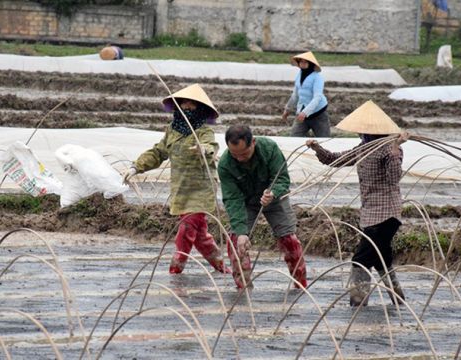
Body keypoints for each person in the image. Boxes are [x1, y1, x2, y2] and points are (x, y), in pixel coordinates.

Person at [305, 100, 408, 306]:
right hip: (370, 214)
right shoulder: (364, 147)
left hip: (387, 215)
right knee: (381, 259)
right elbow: (334, 160)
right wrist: (316, 147)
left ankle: (358, 302)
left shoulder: (388, 148)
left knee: (359, 259)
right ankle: (398, 298)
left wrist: (396, 148)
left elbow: (393, 177)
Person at [123, 84, 229, 275]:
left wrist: (202, 149)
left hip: (201, 189)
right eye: (183, 103)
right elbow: (158, 152)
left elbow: (210, 146)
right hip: (181, 188)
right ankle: (222, 267)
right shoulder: (172, 130)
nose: (187, 107)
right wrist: (136, 167)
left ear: (200, 108)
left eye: (192, 104)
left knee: (187, 228)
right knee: (200, 235)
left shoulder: (204, 131)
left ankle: (176, 268)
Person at [218, 125, 307, 289]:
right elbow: (232, 199)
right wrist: (241, 232)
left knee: (289, 240)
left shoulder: (269, 149)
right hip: (246, 202)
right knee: (237, 242)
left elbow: (282, 179)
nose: (239, 159)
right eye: (234, 154)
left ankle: (300, 285)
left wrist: (273, 192)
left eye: (244, 154)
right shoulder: (225, 164)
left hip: (273, 198)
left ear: (253, 142)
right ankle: (243, 288)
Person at [282, 51, 330, 138]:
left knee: (323, 140)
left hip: (318, 114)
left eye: (305, 62)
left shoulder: (317, 77)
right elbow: (295, 95)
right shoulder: (299, 75)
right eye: (301, 61)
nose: (302, 64)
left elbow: (317, 97)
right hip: (302, 113)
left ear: (310, 64)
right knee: (294, 137)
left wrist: (305, 112)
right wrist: (288, 109)